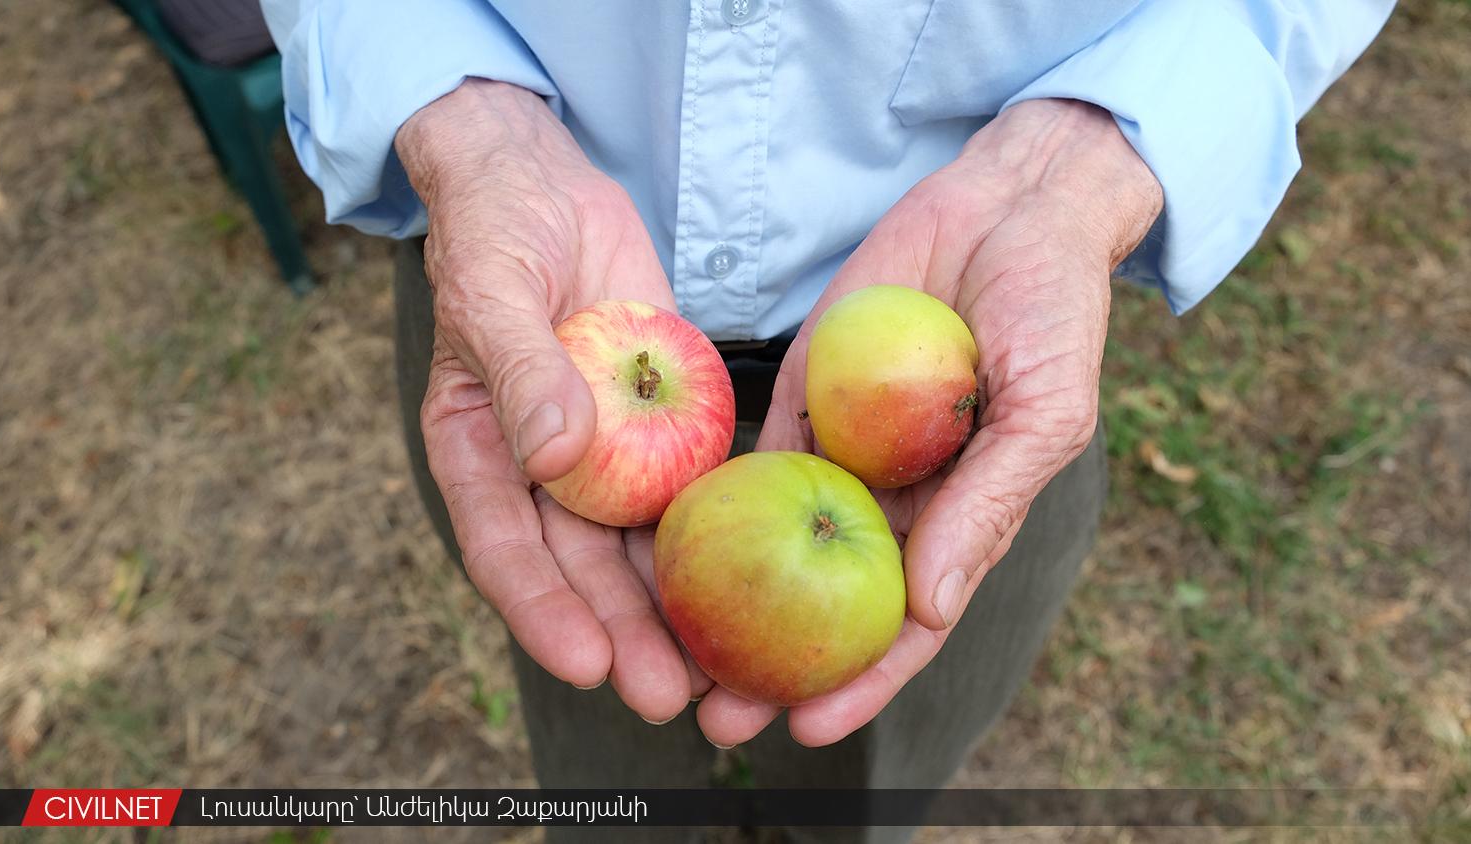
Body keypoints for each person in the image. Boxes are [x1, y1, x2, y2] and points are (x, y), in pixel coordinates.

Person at [261, 2, 1394, 840]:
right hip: (539, 315)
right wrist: (460, 114)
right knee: (602, 757)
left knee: (877, 773)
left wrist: (1093, 155)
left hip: (967, 342)